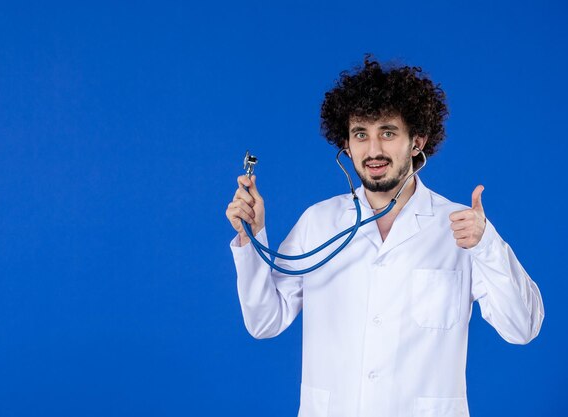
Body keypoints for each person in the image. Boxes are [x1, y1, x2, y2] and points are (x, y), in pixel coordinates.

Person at [225, 56, 544, 417]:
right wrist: (252, 238)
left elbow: (523, 327)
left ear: (417, 141)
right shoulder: (318, 223)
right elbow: (265, 321)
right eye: (361, 134)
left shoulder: (460, 227)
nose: (373, 150)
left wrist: (488, 245)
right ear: (346, 145)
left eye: (388, 132)